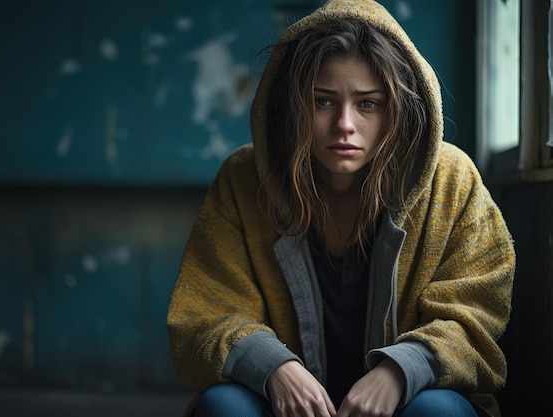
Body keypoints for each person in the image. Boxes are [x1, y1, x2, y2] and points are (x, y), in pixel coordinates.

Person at [166, 0, 515, 416]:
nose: (345, 124)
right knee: (224, 406)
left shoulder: (451, 180)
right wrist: (273, 367)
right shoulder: (244, 180)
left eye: (368, 103)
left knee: (438, 410)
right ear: (294, 104)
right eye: (323, 101)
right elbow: (204, 314)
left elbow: (476, 317)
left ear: (396, 109)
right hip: (283, 406)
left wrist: (400, 372)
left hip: (408, 405)